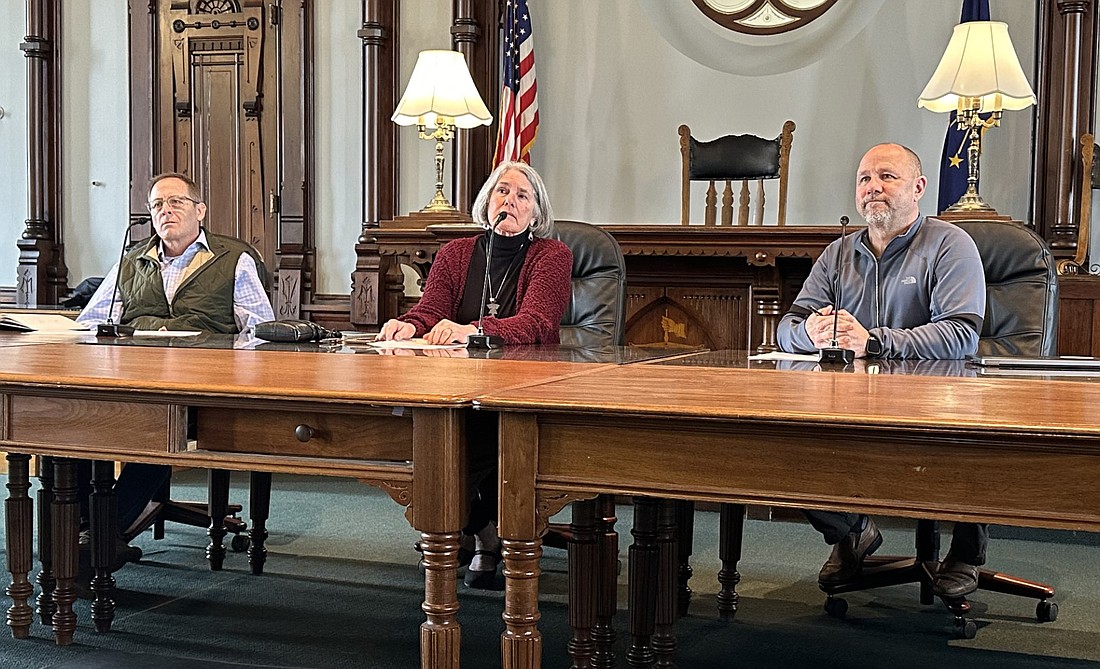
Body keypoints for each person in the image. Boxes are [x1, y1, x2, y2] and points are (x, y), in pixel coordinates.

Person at [776, 143, 988, 598]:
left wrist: (873, 341)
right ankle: (852, 530)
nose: (873, 187)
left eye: (887, 177)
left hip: (936, 400)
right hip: (854, 400)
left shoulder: (952, 245)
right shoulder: (837, 254)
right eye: (864, 179)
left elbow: (961, 335)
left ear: (918, 188)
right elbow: (787, 326)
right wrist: (810, 333)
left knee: (974, 435)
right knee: (782, 440)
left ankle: (967, 551)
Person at [379, 161, 573, 587]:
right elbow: (432, 311)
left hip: (521, 387)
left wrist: (475, 330)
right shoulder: (456, 253)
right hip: (454, 384)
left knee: (462, 452)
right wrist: (409, 324)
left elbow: (538, 323)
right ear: (486, 203)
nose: (511, 202)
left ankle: (462, 530)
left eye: (523, 196)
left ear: (537, 213)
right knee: (432, 439)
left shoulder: (551, 255)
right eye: (502, 192)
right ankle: (480, 530)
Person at [75, 172, 275, 572]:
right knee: (77, 428)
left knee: (160, 431)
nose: (166, 211)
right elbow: (90, 323)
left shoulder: (234, 259)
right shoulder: (131, 262)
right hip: (134, 382)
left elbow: (261, 333)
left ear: (200, 210)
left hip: (203, 387)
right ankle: (86, 532)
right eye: (157, 205)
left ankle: (95, 540)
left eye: (176, 202)